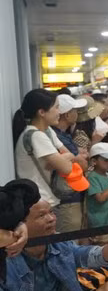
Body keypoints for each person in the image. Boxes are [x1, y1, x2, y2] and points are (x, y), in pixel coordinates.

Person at [12, 89, 81, 233]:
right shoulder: (36, 136)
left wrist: (58, 160)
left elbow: (71, 156)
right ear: (41, 112)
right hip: (39, 205)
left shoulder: (47, 131)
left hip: (47, 201)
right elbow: (68, 168)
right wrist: (61, 160)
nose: (59, 112)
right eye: (56, 107)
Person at [52, 95, 90, 233]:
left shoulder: (63, 135)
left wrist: (79, 157)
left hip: (72, 197)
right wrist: (79, 158)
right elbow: (80, 165)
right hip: (67, 201)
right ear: (67, 114)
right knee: (70, 238)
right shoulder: (58, 138)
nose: (77, 114)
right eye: (75, 110)